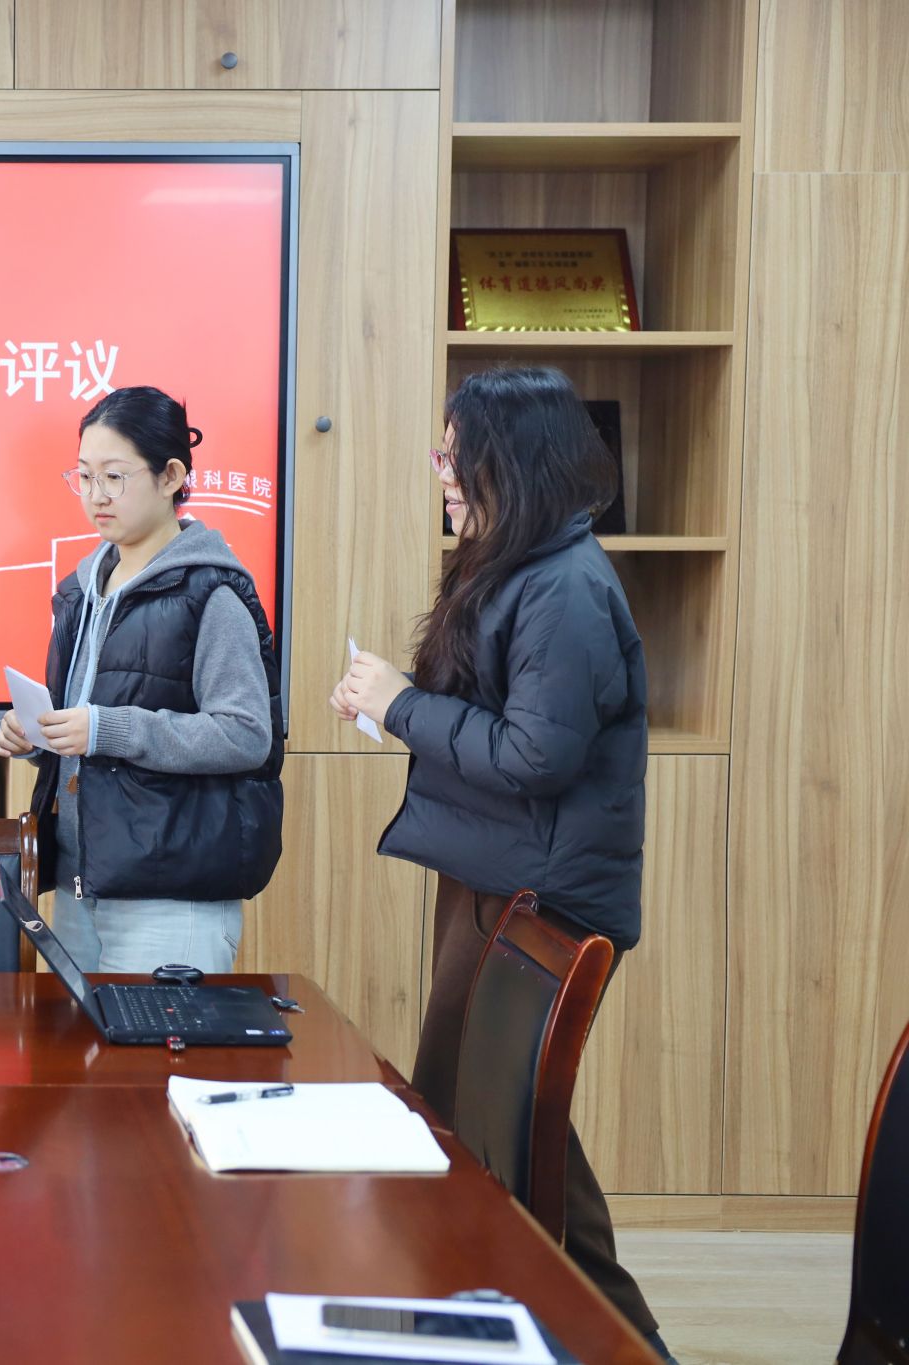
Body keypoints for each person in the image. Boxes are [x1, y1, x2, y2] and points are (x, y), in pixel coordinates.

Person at [332, 366, 672, 1363]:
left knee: (500, 1137)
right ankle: (615, 1340)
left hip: (542, 901)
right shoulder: (523, 565)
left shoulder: (564, 588)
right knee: (504, 1134)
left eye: (455, 455)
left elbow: (534, 757)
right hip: (502, 881)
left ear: (510, 463)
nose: (440, 474)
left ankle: (611, 1340)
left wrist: (400, 705)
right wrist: (393, 702)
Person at [0, 386, 283, 973]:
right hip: (80, 883)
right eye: (84, 476)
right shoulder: (81, 590)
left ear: (171, 476)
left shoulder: (211, 590)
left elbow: (246, 734)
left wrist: (108, 730)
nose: (96, 495)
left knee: (158, 1040)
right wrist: (38, 736)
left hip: (169, 897)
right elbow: (90, 729)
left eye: (115, 477)